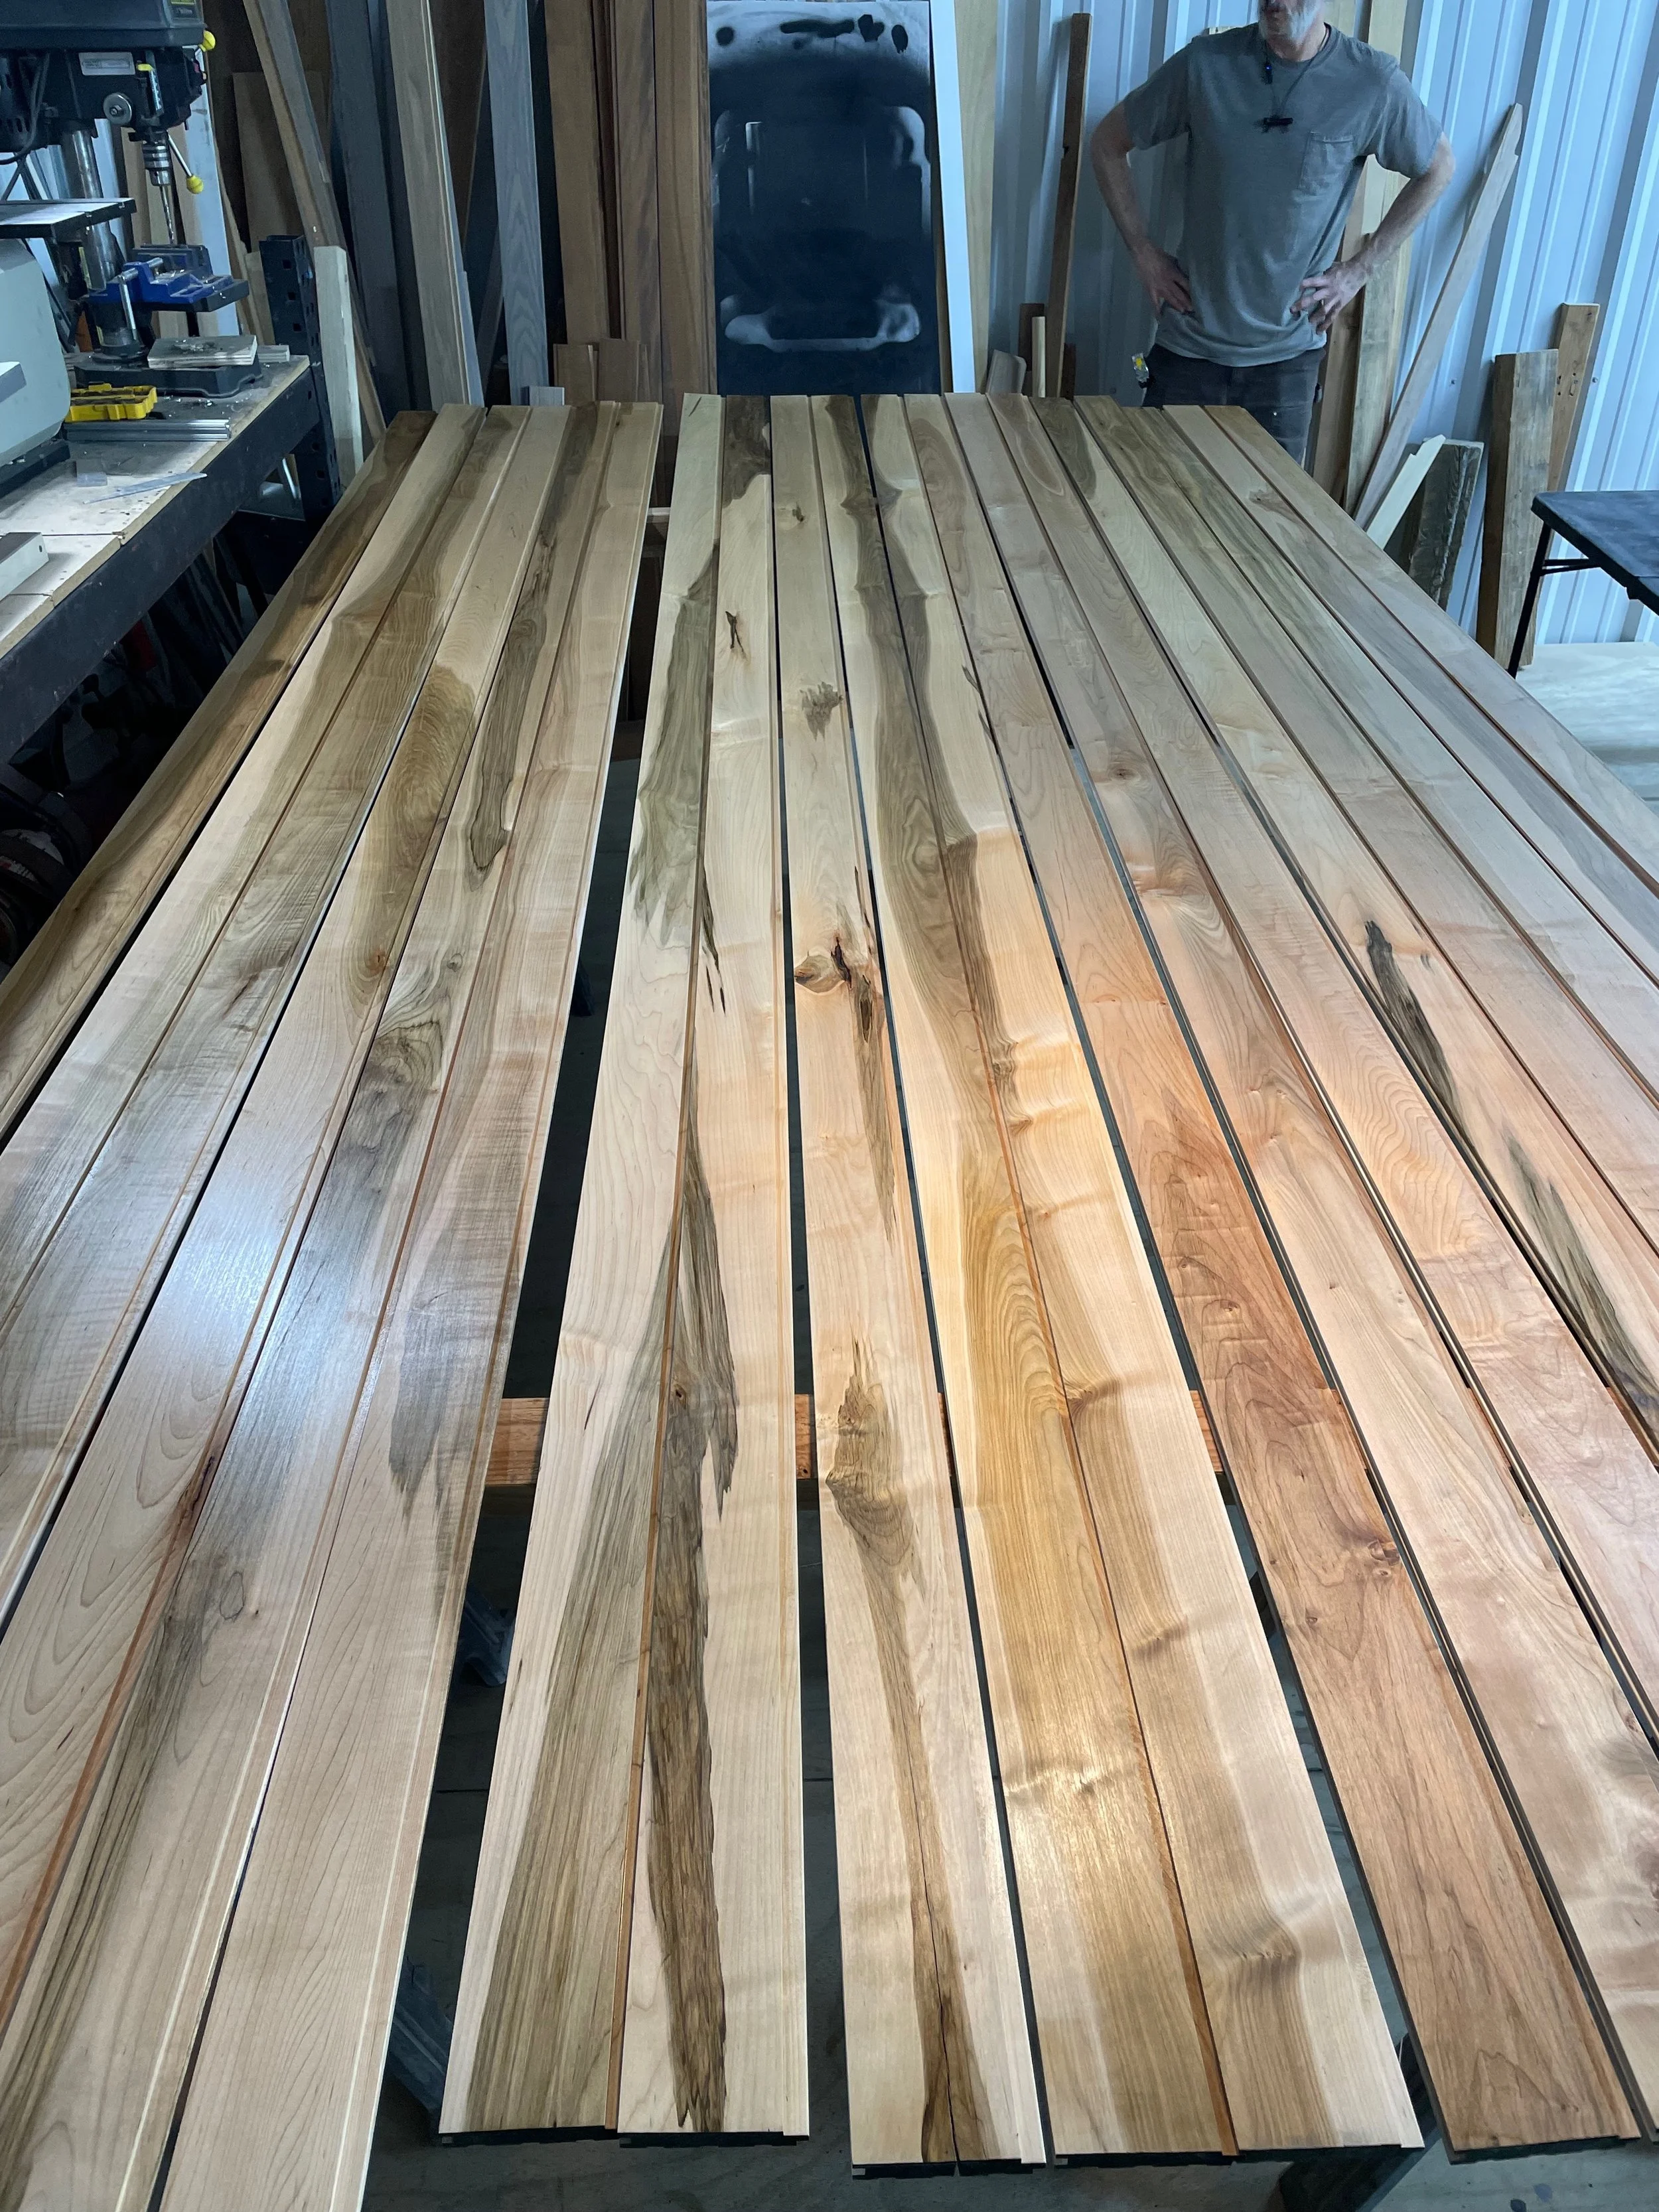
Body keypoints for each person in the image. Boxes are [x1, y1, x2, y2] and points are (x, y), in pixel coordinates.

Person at [1089, 0, 1453, 463]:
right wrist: (1143, 251)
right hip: (1188, 351)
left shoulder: (1369, 82)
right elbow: (1107, 144)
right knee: (1155, 507)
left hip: (1285, 369)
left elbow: (1439, 167)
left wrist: (1362, 268)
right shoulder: (1206, 65)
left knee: (1267, 525)